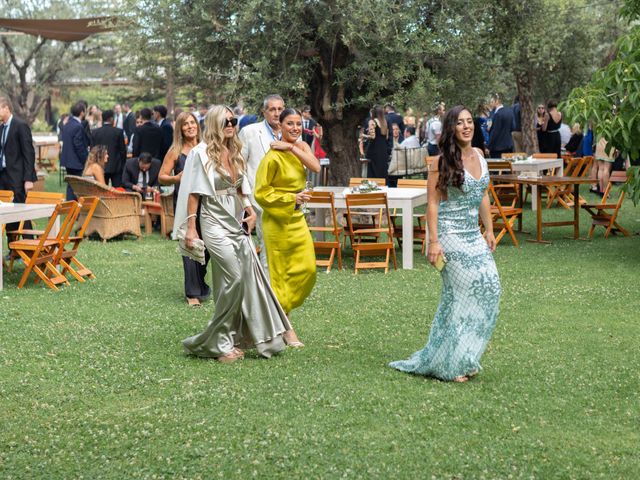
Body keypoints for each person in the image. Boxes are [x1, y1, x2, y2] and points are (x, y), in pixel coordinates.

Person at [389, 105, 501, 382]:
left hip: (473, 235)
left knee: (491, 287)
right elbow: (432, 204)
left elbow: (483, 195)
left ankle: (463, 355)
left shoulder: (480, 156)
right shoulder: (440, 162)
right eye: (460, 123)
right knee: (461, 297)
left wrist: (488, 229)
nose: (466, 126)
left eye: (469, 122)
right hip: (449, 235)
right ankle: (452, 364)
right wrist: (434, 242)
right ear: (450, 129)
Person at [177, 105, 293, 362]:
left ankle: (232, 338)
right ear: (216, 124)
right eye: (226, 121)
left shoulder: (235, 152)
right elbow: (194, 194)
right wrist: (191, 228)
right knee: (236, 277)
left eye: (234, 120)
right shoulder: (201, 154)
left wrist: (250, 210)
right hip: (213, 222)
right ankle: (216, 342)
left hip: (235, 220)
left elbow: (241, 187)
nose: (231, 124)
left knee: (240, 279)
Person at [254, 107, 321, 348]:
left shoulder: (300, 147)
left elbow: (316, 167)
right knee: (280, 276)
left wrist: (291, 146)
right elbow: (260, 193)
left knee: (308, 269)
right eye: (289, 124)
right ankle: (286, 327)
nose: (294, 128)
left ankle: (280, 315)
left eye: (298, 123)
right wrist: (291, 198)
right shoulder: (271, 157)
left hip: (297, 220)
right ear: (279, 126)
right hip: (277, 221)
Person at [159, 111, 211, 307]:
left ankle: (201, 284)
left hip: (206, 202)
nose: (190, 126)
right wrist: (176, 178)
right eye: (185, 124)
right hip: (183, 202)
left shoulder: (206, 148)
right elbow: (162, 176)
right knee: (189, 243)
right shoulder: (175, 150)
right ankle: (192, 293)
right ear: (180, 128)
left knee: (207, 246)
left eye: (192, 123)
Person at [239, 94, 285, 273]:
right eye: (272, 109)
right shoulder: (249, 132)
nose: (276, 113)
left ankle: (277, 288)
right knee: (267, 246)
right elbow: (239, 166)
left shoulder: (292, 133)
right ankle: (268, 292)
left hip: (285, 201)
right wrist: (246, 199)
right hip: (258, 201)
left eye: (280, 109)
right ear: (264, 112)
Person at [0, 96, 37, 237]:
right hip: (3, 176)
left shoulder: (20, 125)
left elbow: (29, 153)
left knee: (21, 211)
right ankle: (13, 248)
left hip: (17, 177)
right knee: (6, 212)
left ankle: (28, 246)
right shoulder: (1, 127)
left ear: (6, 108)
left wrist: (28, 179)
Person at [90, 109, 127, 187]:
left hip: (100, 166)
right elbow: (122, 151)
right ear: (111, 119)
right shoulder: (118, 132)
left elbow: (92, 151)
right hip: (116, 166)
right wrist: (123, 165)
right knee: (117, 191)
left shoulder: (95, 132)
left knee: (102, 191)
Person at [60, 101, 89, 200]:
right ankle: (74, 209)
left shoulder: (67, 124)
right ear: (82, 112)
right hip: (76, 162)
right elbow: (79, 146)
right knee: (77, 187)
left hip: (68, 161)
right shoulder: (78, 126)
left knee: (71, 186)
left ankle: (70, 208)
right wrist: (86, 159)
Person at [365, 105, 391, 180]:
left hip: (374, 150)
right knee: (382, 173)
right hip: (383, 150)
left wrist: (364, 135)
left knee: (373, 173)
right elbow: (387, 137)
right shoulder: (385, 122)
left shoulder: (373, 122)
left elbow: (372, 137)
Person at [487, 93, 514, 158]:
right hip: (509, 146)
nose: (490, 104)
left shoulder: (497, 114)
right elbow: (513, 127)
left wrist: (489, 146)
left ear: (497, 101)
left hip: (497, 148)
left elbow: (495, 132)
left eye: (492, 102)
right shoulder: (510, 111)